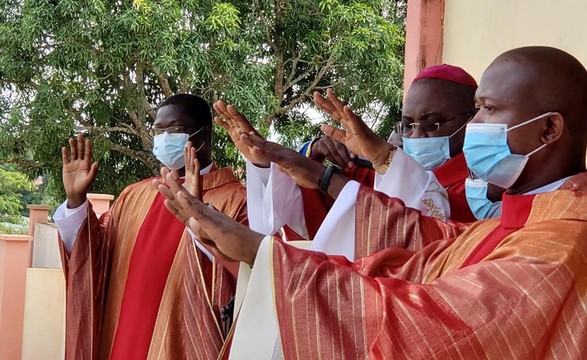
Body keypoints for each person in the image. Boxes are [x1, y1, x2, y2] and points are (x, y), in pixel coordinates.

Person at [156, 46, 587, 358]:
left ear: (548, 130)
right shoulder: (530, 217)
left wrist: (263, 254)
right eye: (475, 110)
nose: (475, 126)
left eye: (488, 110)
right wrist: (297, 177)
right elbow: (422, 246)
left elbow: (427, 322)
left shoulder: (558, 248)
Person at [54, 94, 247, 359]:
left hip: (184, 344)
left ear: (204, 135)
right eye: (159, 130)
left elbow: (249, 273)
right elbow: (93, 259)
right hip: (120, 342)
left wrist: (203, 220)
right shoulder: (134, 195)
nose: (165, 138)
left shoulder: (236, 200)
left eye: (176, 130)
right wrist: (76, 201)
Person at [239, 65, 482, 246]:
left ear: (472, 120)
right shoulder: (377, 172)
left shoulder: (483, 188)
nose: (417, 136)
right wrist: (265, 162)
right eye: (408, 125)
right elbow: (314, 213)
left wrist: (326, 179)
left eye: (433, 125)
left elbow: (431, 233)